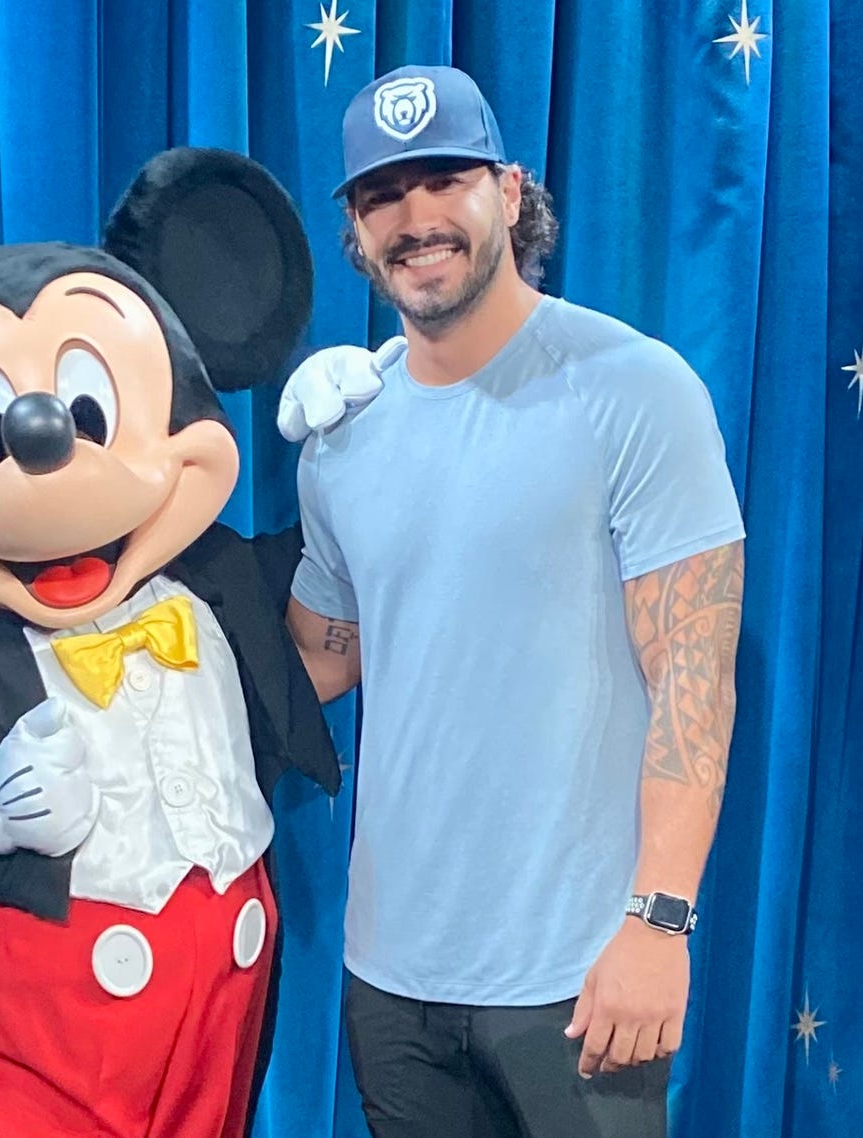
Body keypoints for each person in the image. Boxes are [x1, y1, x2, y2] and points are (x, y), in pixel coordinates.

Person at [281, 65, 746, 1138]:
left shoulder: (634, 386)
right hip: (391, 977)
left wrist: (658, 923)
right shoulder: (343, 429)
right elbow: (324, 658)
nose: (417, 218)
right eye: (382, 195)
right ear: (355, 227)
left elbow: (691, 671)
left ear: (507, 188)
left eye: (444, 178)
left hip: (579, 978)